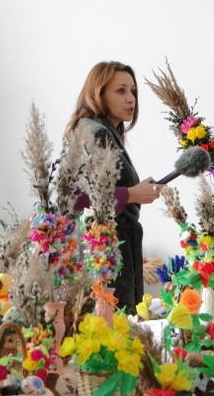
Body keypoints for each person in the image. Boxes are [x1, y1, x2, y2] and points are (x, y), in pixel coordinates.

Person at [64, 61, 162, 313]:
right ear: (99, 94)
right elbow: (77, 197)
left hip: (113, 247)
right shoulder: (96, 133)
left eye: (133, 91)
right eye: (120, 91)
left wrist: (135, 192)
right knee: (112, 324)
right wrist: (132, 194)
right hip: (105, 250)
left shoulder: (100, 131)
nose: (131, 99)